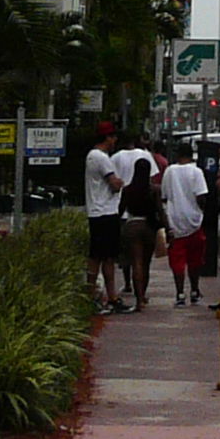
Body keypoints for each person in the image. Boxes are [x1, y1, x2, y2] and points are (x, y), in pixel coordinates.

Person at [81, 121, 129, 314]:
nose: (114, 140)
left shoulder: (92, 156)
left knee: (103, 256)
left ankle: (107, 296)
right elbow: (115, 184)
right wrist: (120, 182)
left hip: (97, 211)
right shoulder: (101, 158)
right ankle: (99, 296)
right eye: (112, 136)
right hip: (105, 212)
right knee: (102, 257)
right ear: (106, 138)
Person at [159, 140, 213, 305]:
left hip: (175, 222)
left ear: (177, 155)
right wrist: (201, 210)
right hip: (194, 221)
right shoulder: (196, 172)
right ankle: (195, 290)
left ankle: (180, 293)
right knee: (195, 260)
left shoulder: (169, 171)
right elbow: (202, 196)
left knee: (177, 261)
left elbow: (164, 197)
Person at [118, 139, 163, 310]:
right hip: (149, 226)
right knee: (146, 264)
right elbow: (160, 210)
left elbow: (120, 209)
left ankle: (137, 300)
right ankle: (143, 295)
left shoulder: (128, 189)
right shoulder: (153, 190)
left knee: (135, 262)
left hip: (132, 225)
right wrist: (167, 228)